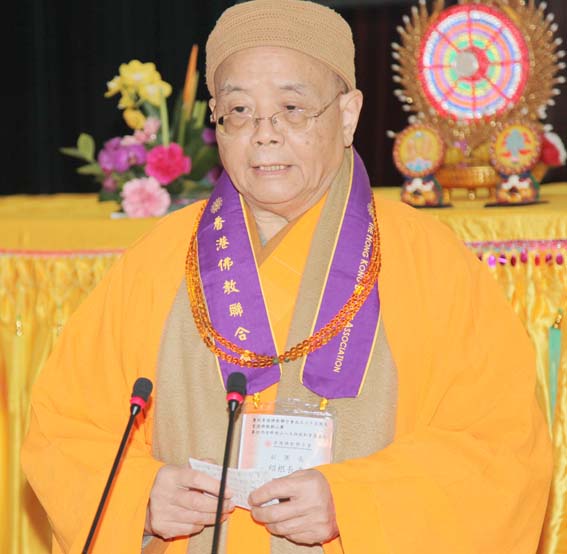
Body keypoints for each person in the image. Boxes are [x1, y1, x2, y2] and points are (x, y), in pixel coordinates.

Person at [22, 1, 552, 553]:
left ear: (347, 115)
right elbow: (65, 429)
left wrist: (357, 503)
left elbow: (502, 448)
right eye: (239, 111)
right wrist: (141, 498)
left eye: (292, 109)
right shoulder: (156, 260)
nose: (264, 135)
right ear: (215, 121)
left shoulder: (431, 263)